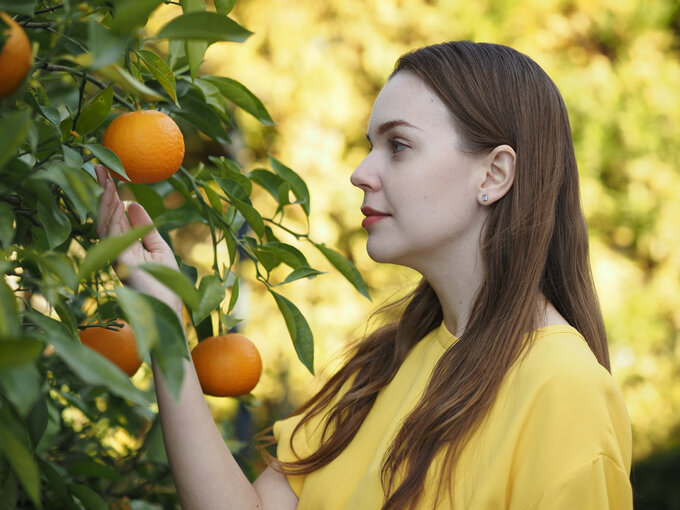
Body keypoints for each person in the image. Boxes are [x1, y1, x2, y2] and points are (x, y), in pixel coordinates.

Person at [96, 40, 632, 509]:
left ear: (494, 174)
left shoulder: (564, 390)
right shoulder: (380, 366)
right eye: (370, 144)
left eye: (398, 145)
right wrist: (163, 323)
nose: (360, 172)